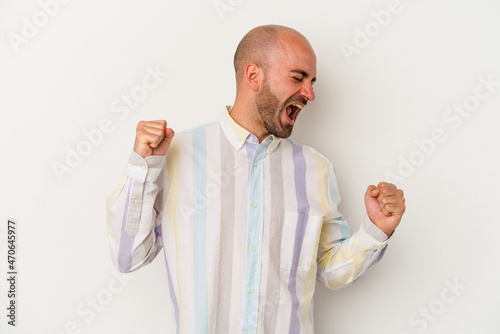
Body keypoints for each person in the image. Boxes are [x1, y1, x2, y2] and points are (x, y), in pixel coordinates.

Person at [106, 24, 406, 333]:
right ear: (254, 76)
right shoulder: (175, 154)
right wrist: (142, 167)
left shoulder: (316, 169)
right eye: (298, 77)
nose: (310, 94)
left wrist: (375, 232)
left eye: (312, 81)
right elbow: (128, 257)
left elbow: (329, 269)